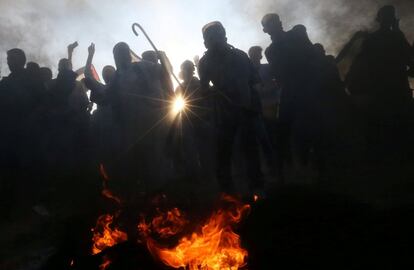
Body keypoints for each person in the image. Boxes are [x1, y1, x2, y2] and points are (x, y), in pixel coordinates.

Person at [198, 21, 264, 194]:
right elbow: (204, 89)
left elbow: (255, 81)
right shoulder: (205, 62)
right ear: (205, 42)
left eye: (216, 36)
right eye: (209, 38)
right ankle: (228, 193)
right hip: (224, 114)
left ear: (224, 37)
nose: (212, 41)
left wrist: (253, 104)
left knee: (250, 150)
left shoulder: (241, 56)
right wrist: (211, 91)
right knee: (224, 153)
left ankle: (256, 187)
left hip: (246, 109)